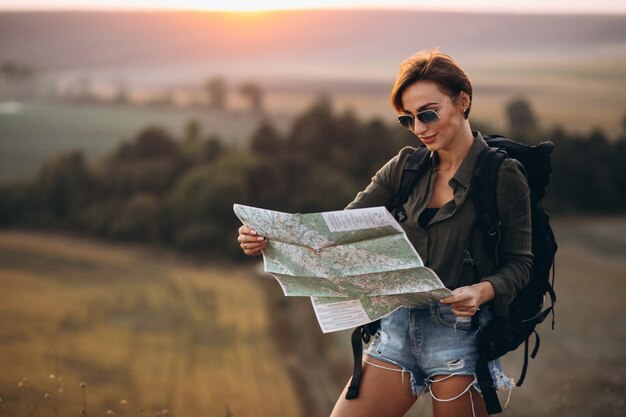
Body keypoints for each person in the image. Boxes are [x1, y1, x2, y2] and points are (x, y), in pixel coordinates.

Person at [237, 49, 532, 417]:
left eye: (428, 113)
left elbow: (521, 264)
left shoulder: (502, 175)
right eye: (408, 120)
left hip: (461, 336)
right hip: (394, 330)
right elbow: (334, 232)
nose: (420, 128)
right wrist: (266, 239)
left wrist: (481, 290)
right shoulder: (405, 168)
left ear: (463, 100)